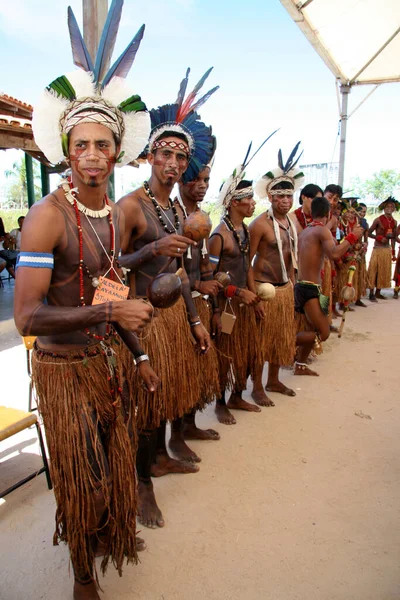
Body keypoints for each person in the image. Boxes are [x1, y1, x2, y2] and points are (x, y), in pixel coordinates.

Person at [14, 8, 156, 599]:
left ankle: (104, 536)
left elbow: (111, 291)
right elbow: (26, 317)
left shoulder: (112, 218)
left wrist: (139, 354)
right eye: (82, 144)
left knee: (109, 462)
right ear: (66, 150)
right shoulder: (47, 219)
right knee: (79, 477)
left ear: (117, 152)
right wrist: (109, 316)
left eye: (103, 143)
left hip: (106, 365)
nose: (92, 154)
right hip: (64, 371)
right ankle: (81, 577)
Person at [118, 68, 218, 528]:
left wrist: (195, 321)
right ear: (149, 155)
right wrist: (151, 248)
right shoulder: (129, 207)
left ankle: (157, 459)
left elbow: (181, 273)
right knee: (142, 408)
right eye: (166, 153)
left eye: (182, 156)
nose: (175, 163)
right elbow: (110, 270)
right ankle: (141, 485)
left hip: (176, 320)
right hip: (139, 324)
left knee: (161, 404)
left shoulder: (180, 209)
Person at [209, 147, 267, 425]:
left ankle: (237, 395)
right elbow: (211, 278)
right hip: (226, 305)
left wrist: (253, 295)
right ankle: (220, 403)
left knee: (245, 352)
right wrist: (235, 292)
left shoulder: (244, 231)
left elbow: (248, 267)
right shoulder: (219, 236)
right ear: (233, 202)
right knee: (225, 355)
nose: (253, 204)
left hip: (245, 302)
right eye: (248, 200)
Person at [250, 143, 305, 402]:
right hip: (264, 288)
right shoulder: (259, 225)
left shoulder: (291, 222)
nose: (285, 201)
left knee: (278, 338)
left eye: (289, 196)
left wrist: (292, 284)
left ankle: (273, 381)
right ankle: (257, 388)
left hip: (284, 289)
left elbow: (291, 257)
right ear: (270, 197)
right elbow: (245, 261)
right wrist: (253, 296)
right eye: (280, 196)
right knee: (260, 342)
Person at [176, 157, 222, 449]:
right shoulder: (172, 215)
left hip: (199, 305)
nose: (203, 185)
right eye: (197, 179)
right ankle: (176, 440)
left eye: (207, 179)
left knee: (196, 372)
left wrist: (215, 307)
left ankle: (190, 427)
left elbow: (204, 265)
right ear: (182, 179)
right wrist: (197, 285)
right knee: (180, 376)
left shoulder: (203, 217)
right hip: (178, 308)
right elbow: (171, 271)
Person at [294, 196, 363, 375]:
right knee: (323, 332)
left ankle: (300, 365)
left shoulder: (306, 231)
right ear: (327, 213)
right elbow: (334, 254)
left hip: (307, 287)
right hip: (310, 289)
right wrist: (352, 237)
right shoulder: (321, 230)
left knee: (312, 328)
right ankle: (283, 341)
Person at [367, 196, 399, 301]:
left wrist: (393, 251)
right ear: (384, 208)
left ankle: (378, 292)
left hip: (387, 250)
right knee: (374, 271)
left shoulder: (394, 222)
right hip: (378, 248)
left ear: (394, 209)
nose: (390, 208)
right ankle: (371, 293)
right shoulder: (378, 220)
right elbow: (368, 233)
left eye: (392, 206)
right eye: (388, 206)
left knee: (383, 271)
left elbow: (394, 237)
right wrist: (379, 237)